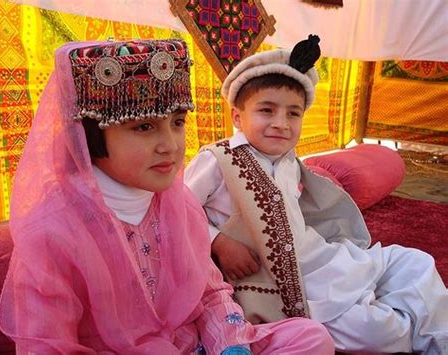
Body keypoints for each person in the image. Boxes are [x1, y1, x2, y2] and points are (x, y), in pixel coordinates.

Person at [0, 39, 334, 355]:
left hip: (195, 343)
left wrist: (230, 344)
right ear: (91, 134)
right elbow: (47, 346)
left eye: (176, 122)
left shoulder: (179, 202)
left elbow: (210, 295)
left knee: (310, 336)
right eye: (144, 127)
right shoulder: (51, 232)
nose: (170, 145)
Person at [185, 35, 448, 354]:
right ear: (237, 117)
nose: (281, 123)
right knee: (373, 331)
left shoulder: (287, 161)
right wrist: (219, 242)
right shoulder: (217, 158)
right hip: (287, 284)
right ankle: (416, 327)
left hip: (320, 258)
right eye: (266, 110)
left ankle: (434, 334)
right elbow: (177, 210)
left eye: (293, 114)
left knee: (414, 262)